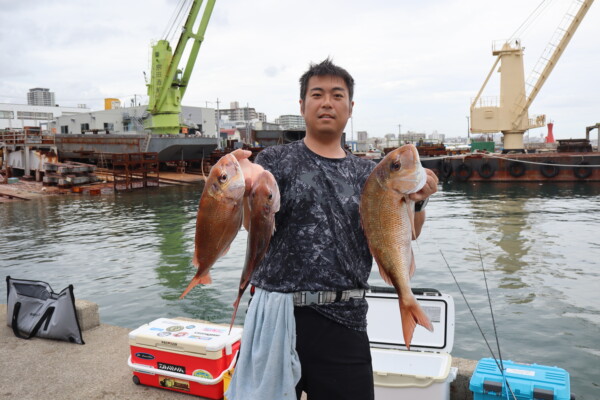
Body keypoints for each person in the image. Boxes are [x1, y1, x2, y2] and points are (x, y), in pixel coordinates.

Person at [227, 58, 438, 400]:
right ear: (302, 104)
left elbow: (407, 234)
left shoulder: (370, 173)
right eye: (317, 94)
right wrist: (235, 187)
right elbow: (253, 226)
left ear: (350, 107)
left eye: (337, 95)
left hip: (346, 319)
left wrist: (419, 202)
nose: (327, 102)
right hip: (279, 316)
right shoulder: (273, 162)